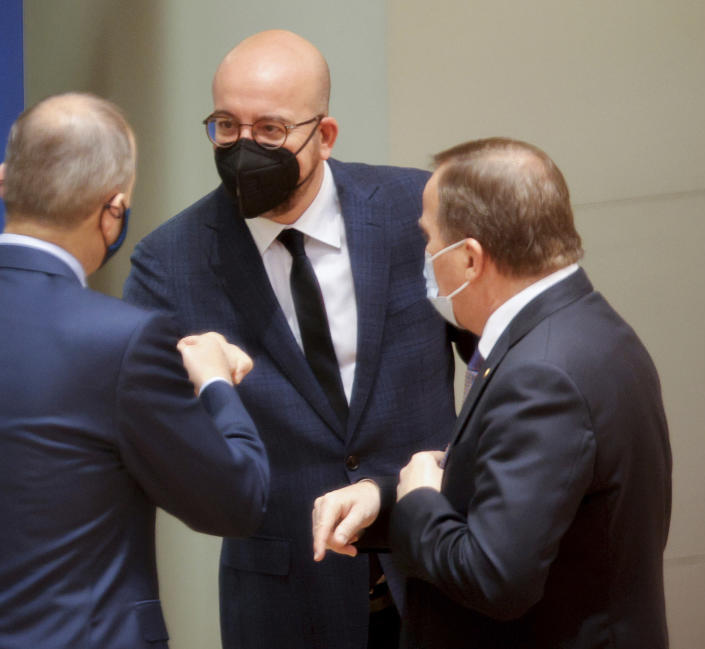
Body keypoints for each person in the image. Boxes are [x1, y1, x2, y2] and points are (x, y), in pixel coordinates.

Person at [0, 92, 269, 649]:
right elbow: (236, 501)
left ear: (4, 180)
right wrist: (215, 379)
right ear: (113, 209)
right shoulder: (124, 340)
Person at [123, 29, 467, 649]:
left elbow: (498, 369)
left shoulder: (415, 211)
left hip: (435, 569)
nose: (243, 146)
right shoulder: (169, 262)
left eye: (271, 130)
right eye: (226, 127)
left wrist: (434, 480)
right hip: (283, 600)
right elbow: (152, 442)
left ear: (325, 135)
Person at [312, 137, 673, 648]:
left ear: (470, 259)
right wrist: (386, 497)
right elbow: (516, 485)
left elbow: (494, 577)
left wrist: (416, 498)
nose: (427, 254)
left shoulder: (542, 376)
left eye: (429, 239)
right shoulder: (585, 326)